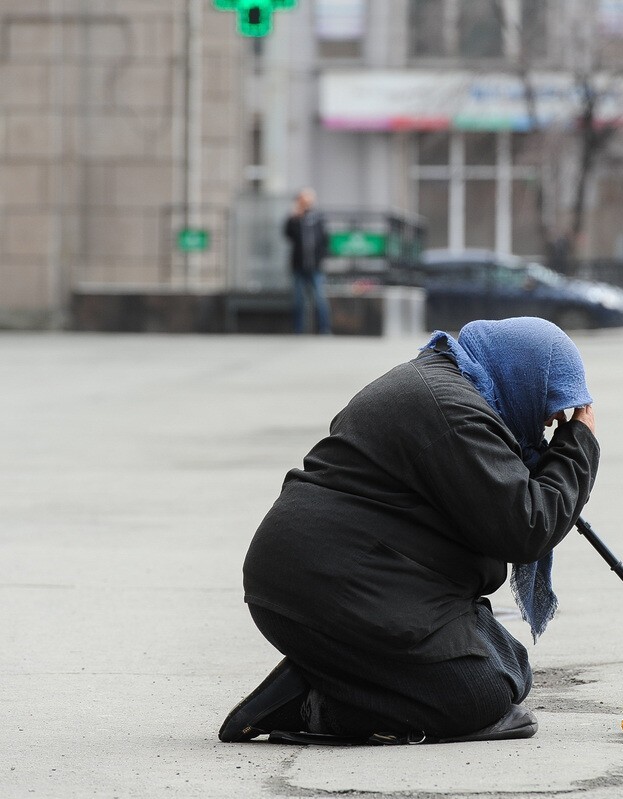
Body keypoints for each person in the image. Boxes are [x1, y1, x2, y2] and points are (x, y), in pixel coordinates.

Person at [218, 317, 599, 745]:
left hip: (338, 585)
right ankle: (311, 703)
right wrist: (578, 445)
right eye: (551, 407)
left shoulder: (444, 388)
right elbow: (526, 528)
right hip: (334, 589)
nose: (551, 424)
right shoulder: (456, 415)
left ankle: (328, 669)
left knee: (513, 665)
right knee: (482, 694)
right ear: (524, 375)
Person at [283, 187, 332, 335]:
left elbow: (324, 239)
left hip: (315, 265)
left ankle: (324, 329)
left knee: (319, 299)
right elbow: (288, 234)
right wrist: (293, 217)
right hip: (299, 265)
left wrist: (321, 258)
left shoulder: (318, 218)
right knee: (298, 300)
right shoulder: (295, 218)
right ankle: (298, 329)